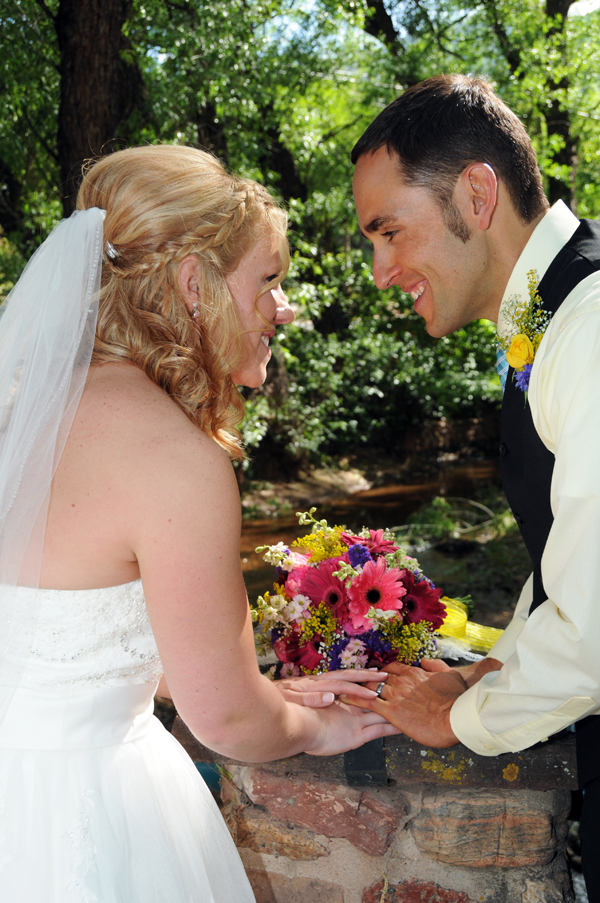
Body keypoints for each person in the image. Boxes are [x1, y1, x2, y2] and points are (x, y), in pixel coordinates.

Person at [0, 144, 398, 902]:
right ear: (193, 284)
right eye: (269, 281)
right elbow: (223, 718)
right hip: (92, 817)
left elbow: (54, 638)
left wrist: (267, 687)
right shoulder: (175, 458)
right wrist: (316, 727)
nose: (284, 308)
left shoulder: (23, 417)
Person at [346, 73, 600, 899]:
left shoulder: (590, 328)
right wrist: (493, 668)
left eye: (390, 231)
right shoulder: (547, 320)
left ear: (477, 193)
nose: (382, 271)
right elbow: (570, 549)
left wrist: (457, 720)